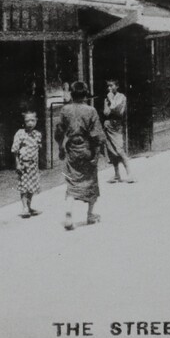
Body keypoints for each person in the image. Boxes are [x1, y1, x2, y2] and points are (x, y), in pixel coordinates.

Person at [55, 81, 110, 230]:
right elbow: (98, 135)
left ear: (72, 95)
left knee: (72, 181)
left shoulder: (65, 110)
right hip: (87, 149)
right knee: (91, 182)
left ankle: (69, 212)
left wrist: (61, 148)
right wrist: (98, 154)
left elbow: (59, 132)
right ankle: (90, 214)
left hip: (72, 149)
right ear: (86, 95)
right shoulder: (90, 111)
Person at [10, 110, 42, 218]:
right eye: (27, 121)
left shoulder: (37, 134)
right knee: (24, 186)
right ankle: (24, 207)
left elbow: (37, 148)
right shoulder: (20, 133)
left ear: (36, 121)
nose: (30, 123)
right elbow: (15, 150)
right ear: (24, 122)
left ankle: (29, 206)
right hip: (24, 165)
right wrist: (17, 164)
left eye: (33, 120)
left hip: (34, 166)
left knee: (31, 187)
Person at [101, 79, 133, 183]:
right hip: (108, 125)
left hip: (117, 126)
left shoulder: (122, 97)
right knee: (111, 151)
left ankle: (130, 173)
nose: (109, 88)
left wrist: (111, 101)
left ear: (117, 86)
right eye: (108, 86)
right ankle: (117, 174)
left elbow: (119, 111)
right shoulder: (107, 99)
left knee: (119, 149)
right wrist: (110, 104)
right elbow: (106, 112)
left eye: (111, 86)